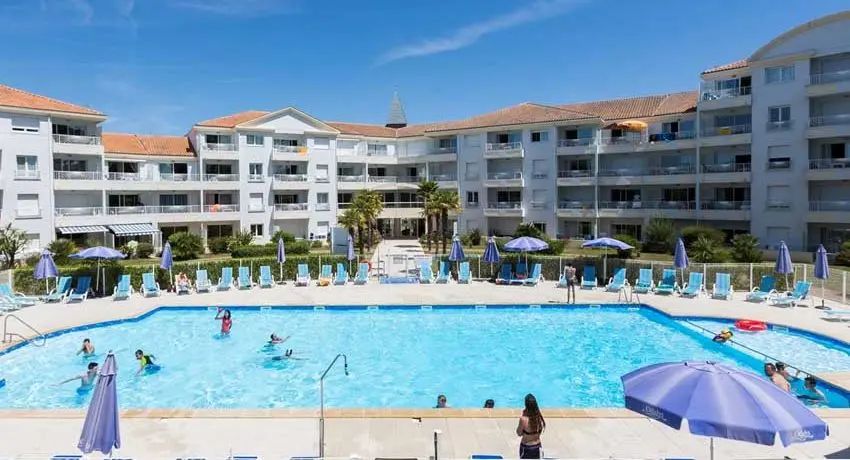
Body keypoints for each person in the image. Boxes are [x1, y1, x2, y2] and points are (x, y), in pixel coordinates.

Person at [516, 393, 545, 459]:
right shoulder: (539, 417)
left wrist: (523, 416)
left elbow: (519, 433)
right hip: (537, 446)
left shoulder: (523, 419)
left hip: (526, 447)